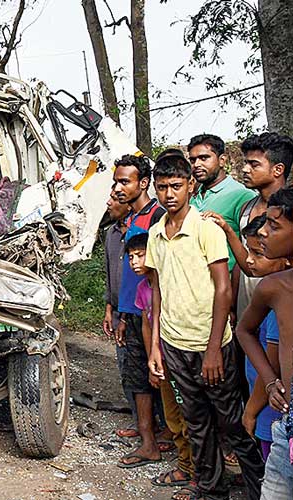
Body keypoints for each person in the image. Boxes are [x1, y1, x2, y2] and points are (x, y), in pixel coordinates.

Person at [146, 153, 264, 500]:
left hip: (211, 345)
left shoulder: (206, 229)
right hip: (173, 342)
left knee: (231, 422)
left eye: (177, 186)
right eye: (163, 187)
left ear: (190, 186)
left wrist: (214, 348)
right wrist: (156, 346)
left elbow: (223, 288)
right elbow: (157, 290)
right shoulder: (155, 234)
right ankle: (212, 490)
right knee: (195, 422)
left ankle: (263, 489)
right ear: (156, 188)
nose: (169, 194)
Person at [128, 229, 196, 496]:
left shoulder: (170, 283)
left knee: (190, 416)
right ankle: (184, 465)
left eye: (140, 255)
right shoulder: (143, 288)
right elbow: (147, 324)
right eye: (131, 256)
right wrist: (151, 359)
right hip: (162, 361)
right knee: (172, 416)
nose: (134, 261)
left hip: (180, 358)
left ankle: (195, 469)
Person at [236, 187, 293, 499]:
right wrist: (270, 382)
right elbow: (245, 331)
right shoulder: (274, 288)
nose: (265, 233)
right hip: (287, 428)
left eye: (275, 225)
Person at [112, 154, 166, 468]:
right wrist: (121, 312)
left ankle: (160, 441)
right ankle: (149, 440)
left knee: (155, 375)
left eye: (125, 181)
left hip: (151, 311)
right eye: (116, 181)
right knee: (137, 378)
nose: (118, 188)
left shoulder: (157, 216)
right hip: (132, 311)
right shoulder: (130, 219)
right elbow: (128, 275)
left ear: (143, 183)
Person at [204, 132, 293, 319]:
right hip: (249, 306)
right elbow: (242, 263)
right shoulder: (246, 207)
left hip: (280, 311)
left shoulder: (289, 212)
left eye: (254, 164)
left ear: (278, 169)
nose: (245, 169)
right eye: (245, 163)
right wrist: (233, 303)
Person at [238, 214, 286, 462]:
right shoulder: (268, 295)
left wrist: (251, 410)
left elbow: (272, 363)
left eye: (259, 254)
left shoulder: (278, 304)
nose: (249, 260)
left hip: (270, 410)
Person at [188, 134, 256, 272]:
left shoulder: (242, 196)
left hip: (227, 285)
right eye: (193, 160)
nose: (197, 165)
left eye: (204, 158)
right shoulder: (193, 197)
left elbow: (253, 251)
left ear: (222, 160)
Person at [103, 187, 139, 438]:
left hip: (134, 312)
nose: (109, 202)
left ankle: (155, 423)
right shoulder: (109, 234)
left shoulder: (137, 233)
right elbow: (108, 274)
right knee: (124, 366)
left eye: (115, 199)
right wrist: (108, 309)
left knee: (138, 368)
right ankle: (139, 420)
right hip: (116, 311)